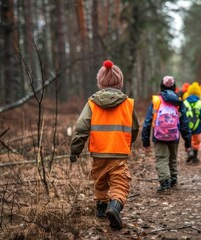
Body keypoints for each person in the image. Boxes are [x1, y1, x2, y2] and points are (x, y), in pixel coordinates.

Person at [70, 60, 140, 230]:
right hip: (118, 152)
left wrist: (75, 150)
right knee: (120, 182)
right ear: (120, 82)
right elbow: (135, 127)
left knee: (100, 180)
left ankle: (101, 208)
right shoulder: (127, 103)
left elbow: (81, 127)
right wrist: (128, 143)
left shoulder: (92, 103)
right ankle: (115, 206)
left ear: (100, 82)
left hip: (98, 152)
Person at [141, 76, 192, 192]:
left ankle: (164, 182)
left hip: (159, 135)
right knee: (172, 158)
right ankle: (173, 179)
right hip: (174, 134)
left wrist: (145, 141)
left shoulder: (156, 100)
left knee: (161, 158)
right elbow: (184, 123)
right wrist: (187, 142)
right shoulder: (178, 101)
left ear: (161, 87)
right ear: (174, 87)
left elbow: (147, 122)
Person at [183, 82, 201, 163]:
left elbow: (181, 115)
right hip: (197, 126)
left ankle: (189, 152)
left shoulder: (185, 103)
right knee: (196, 141)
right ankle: (195, 157)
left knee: (188, 140)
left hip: (187, 126)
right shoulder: (199, 103)